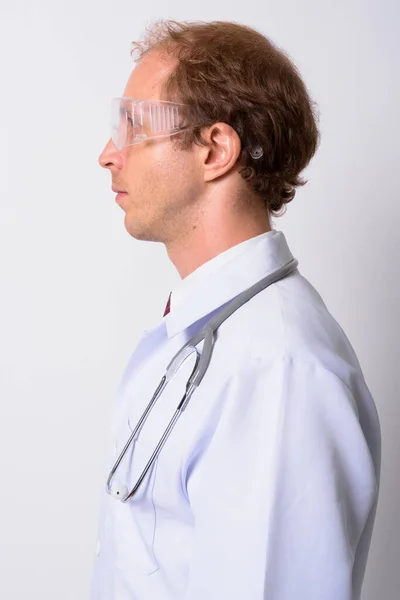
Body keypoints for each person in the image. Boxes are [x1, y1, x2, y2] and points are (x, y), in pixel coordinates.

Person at [91, 19, 381, 600]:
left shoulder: (277, 370)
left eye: (136, 126)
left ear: (216, 149)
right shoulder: (202, 334)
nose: (107, 155)